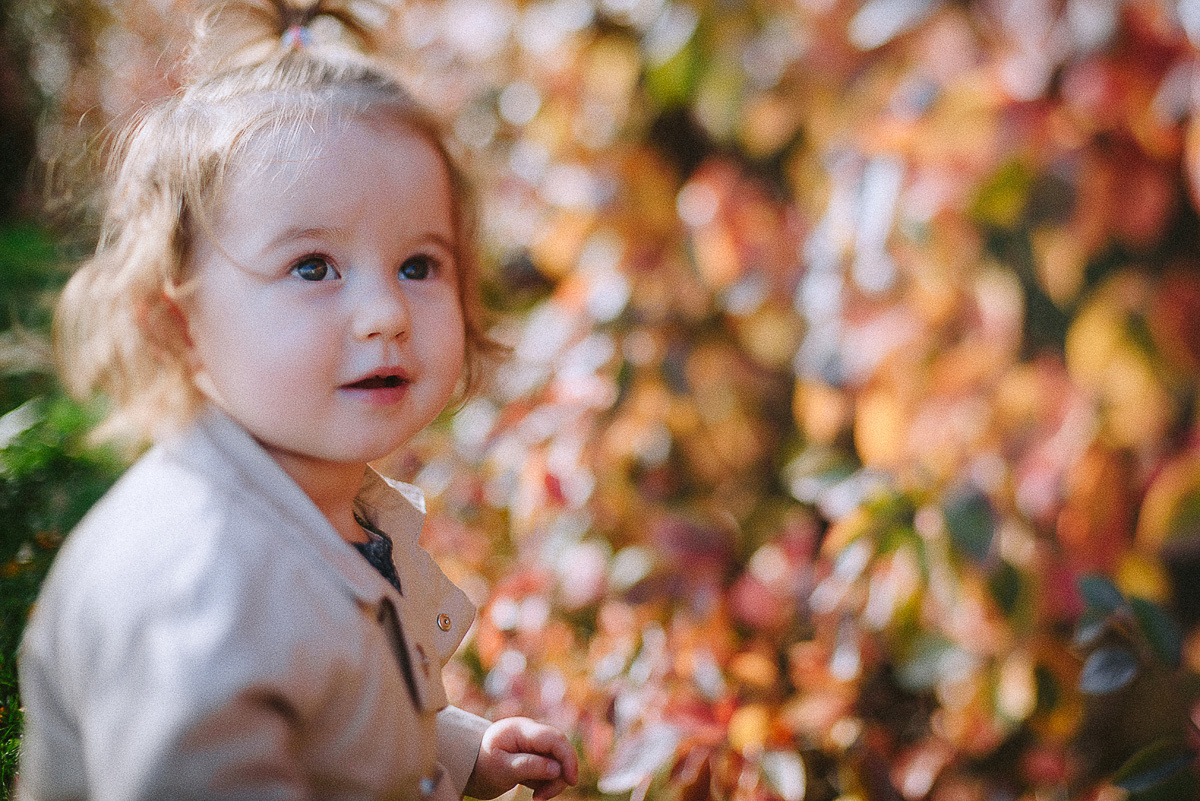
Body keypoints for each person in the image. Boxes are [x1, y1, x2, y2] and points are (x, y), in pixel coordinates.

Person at [16, 1, 579, 798]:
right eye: (314, 267)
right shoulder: (200, 590)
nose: (385, 313)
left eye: (419, 265)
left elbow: (342, 714)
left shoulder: (332, 507)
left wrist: (464, 753)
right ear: (179, 323)